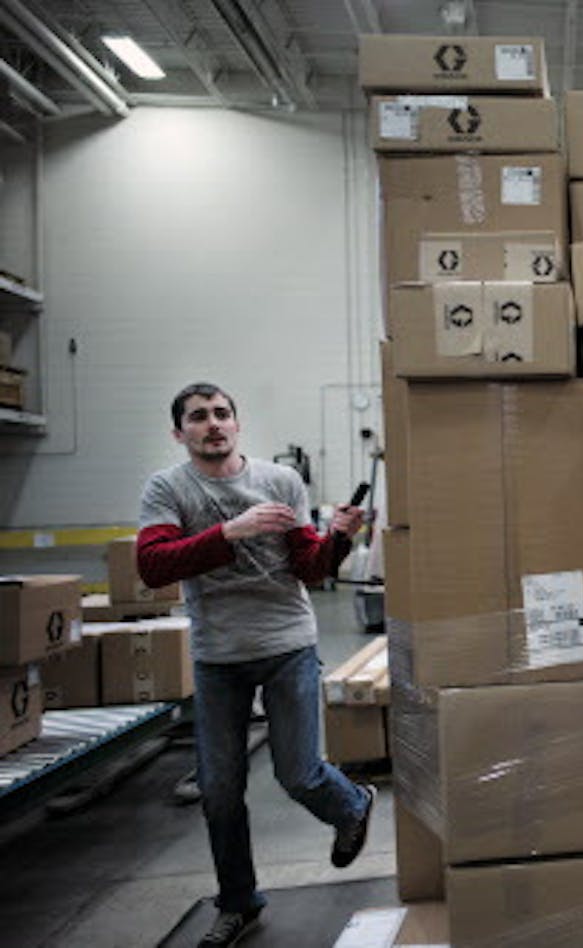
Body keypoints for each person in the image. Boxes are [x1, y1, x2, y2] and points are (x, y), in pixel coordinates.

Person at [136, 382, 374, 948]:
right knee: (220, 792)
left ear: (237, 425)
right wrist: (229, 532)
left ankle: (350, 805)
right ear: (180, 433)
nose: (212, 424)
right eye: (198, 417)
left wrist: (337, 539)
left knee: (299, 773)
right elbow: (151, 565)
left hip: (287, 643)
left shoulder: (279, 481)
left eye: (222, 414)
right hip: (218, 656)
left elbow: (310, 569)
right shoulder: (168, 489)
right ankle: (238, 902)